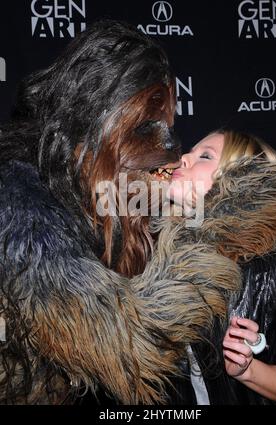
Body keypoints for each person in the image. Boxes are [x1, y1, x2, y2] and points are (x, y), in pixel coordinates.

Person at [0, 19, 238, 405]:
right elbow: (127, 342)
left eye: (166, 126)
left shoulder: (117, 191)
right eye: (147, 126)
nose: (171, 145)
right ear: (91, 115)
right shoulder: (19, 202)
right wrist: (216, 233)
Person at [165, 129, 276, 404]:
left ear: (239, 177)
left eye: (205, 156)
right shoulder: (160, 257)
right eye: (190, 152)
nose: (183, 159)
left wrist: (249, 369)